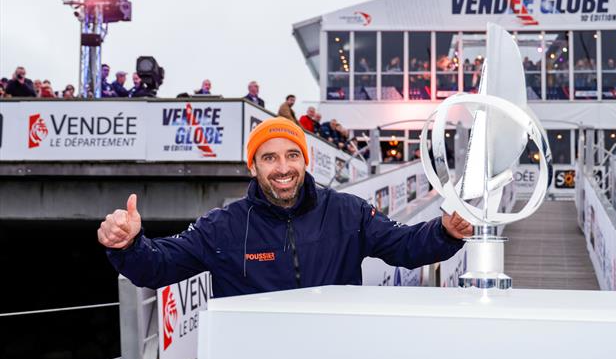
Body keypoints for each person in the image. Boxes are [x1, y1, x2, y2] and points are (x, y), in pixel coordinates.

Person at [98, 117, 473, 296]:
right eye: (270, 158)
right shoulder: (222, 226)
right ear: (253, 166)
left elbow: (404, 246)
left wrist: (444, 232)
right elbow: (158, 265)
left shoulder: (347, 212)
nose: (283, 168)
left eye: (292, 155)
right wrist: (128, 245)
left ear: (304, 161)